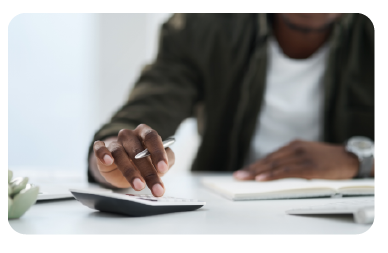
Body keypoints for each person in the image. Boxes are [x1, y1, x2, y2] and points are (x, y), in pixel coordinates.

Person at [88, 13, 375, 197]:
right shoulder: (202, 23)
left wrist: (362, 160)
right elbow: (143, 114)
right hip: (227, 213)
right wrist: (113, 158)